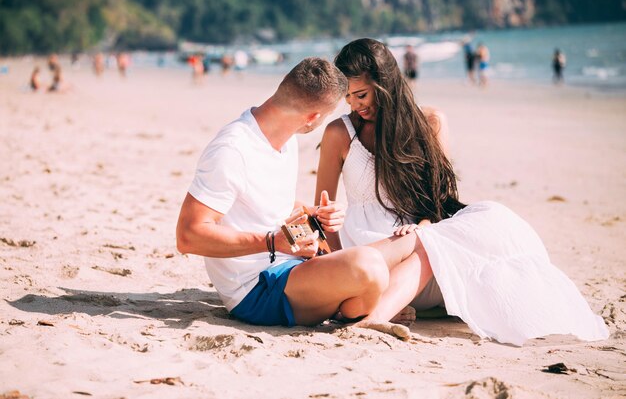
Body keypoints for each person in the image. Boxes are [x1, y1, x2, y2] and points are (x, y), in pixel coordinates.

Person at [315, 38, 609, 345]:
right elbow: (322, 214)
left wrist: (424, 227)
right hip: (370, 256)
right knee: (429, 246)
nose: (356, 105)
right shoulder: (340, 133)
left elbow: (438, 200)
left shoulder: (430, 122)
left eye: (361, 94)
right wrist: (340, 269)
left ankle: (383, 311)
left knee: (489, 217)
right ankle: (377, 312)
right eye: (348, 98)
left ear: (385, 82)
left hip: (422, 254)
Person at [176, 57, 422, 338]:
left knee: (414, 240)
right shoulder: (232, 150)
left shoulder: (286, 140)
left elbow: (267, 206)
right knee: (370, 266)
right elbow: (188, 236)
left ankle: (356, 302)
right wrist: (272, 241)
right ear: (313, 118)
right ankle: (360, 302)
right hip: (257, 288)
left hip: (295, 265)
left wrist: (313, 213)